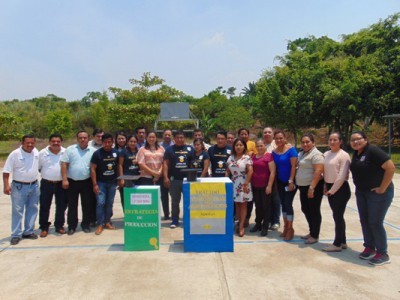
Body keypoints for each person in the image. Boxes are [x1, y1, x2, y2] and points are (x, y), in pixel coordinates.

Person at [349, 131, 395, 266]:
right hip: (362, 192)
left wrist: (382, 188)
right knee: (365, 220)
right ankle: (370, 247)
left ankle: (383, 253)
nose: (355, 142)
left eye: (358, 139)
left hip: (378, 193)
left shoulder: (373, 151)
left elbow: (391, 168)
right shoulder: (357, 154)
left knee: (375, 222)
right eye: (352, 140)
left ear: (366, 139)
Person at [3, 134, 40, 245]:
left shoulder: (36, 152)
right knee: (17, 211)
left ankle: (28, 231)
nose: (30, 145)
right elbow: (6, 171)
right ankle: (16, 234)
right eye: (27, 143)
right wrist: (6, 185)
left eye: (32, 143)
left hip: (34, 186)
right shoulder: (15, 154)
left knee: (32, 208)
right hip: (19, 187)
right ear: (22, 143)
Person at [61, 131, 96, 235]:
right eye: (80, 138)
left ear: (88, 139)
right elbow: (64, 164)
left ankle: (85, 225)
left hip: (86, 182)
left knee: (87, 204)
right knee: (72, 205)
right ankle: (72, 226)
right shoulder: (70, 150)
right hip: (72, 182)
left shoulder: (92, 151)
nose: (82, 140)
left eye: (85, 138)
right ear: (77, 139)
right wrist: (64, 179)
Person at [322, 132, 351, 252]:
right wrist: (325, 186)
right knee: (337, 216)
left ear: (340, 142)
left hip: (340, 189)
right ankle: (343, 241)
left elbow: (342, 176)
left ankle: (337, 243)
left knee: (338, 216)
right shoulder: (326, 154)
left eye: (335, 140)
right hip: (329, 187)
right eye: (330, 139)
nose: (332, 142)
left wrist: (332, 191)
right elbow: (325, 172)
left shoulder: (344, 155)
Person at [296, 133, 325, 245]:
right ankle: (311, 231)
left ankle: (315, 235)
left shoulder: (316, 154)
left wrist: (312, 187)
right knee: (305, 209)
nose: (305, 144)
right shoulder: (302, 153)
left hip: (312, 187)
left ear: (313, 143)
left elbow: (318, 171)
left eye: (307, 142)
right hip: (303, 187)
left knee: (314, 210)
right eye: (303, 142)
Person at [163, 130, 195, 228]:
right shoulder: (170, 149)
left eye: (181, 138)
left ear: (184, 138)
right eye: (177, 138)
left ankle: (188, 219)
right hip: (174, 180)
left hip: (187, 180)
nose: (180, 139)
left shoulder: (190, 149)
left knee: (188, 201)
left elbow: (193, 164)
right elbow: (165, 164)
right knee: (175, 201)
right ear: (174, 138)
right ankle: (175, 219)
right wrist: (165, 177)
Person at [38, 133, 67, 237]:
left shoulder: (65, 152)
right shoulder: (42, 153)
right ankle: (44, 227)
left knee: (61, 206)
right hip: (47, 183)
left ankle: (59, 226)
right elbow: (39, 167)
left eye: (58, 141)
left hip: (61, 184)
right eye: (53, 141)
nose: (56, 143)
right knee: (45, 206)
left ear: (61, 142)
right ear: (49, 142)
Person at [90, 133, 119, 235]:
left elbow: (119, 167)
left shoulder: (116, 152)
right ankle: (100, 224)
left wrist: (119, 180)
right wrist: (95, 184)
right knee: (100, 203)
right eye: (105, 142)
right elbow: (93, 169)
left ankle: (107, 222)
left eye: (109, 142)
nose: (107, 144)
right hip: (101, 183)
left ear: (112, 142)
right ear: (102, 142)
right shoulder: (97, 154)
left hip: (112, 183)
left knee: (109, 203)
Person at [137, 130, 169, 219]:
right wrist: (153, 173)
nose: (151, 139)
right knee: (148, 197)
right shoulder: (142, 150)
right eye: (149, 137)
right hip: (146, 177)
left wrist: (158, 173)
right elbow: (141, 164)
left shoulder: (161, 149)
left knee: (164, 196)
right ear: (146, 138)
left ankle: (166, 214)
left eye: (153, 137)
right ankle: (149, 215)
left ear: (156, 138)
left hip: (160, 176)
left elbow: (164, 162)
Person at [272, 130, 298, 241]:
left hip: (290, 182)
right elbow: (276, 169)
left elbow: (293, 166)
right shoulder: (274, 152)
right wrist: (276, 183)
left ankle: (290, 229)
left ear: (285, 138)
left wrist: (291, 181)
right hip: (280, 182)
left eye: (281, 138)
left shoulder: (291, 150)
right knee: (283, 204)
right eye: (277, 138)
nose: (279, 140)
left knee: (288, 204)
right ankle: (285, 227)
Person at [226, 138, 253, 237]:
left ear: (244, 147)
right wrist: (226, 181)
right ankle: (239, 222)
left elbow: (250, 171)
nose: (238, 147)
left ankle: (241, 226)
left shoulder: (246, 158)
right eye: (237, 145)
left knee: (243, 204)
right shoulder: (231, 158)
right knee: (237, 204)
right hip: (233, 182)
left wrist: (246, 183)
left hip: (243, 183)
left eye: (241, 145)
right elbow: (228, 171)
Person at [250, 138, 276, 236]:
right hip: (255, 186)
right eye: (258, 146)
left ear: (265, 146)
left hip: (265, 186)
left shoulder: (269, 156)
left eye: (261, 145)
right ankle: (258, 224)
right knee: (258, 207)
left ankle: (265, 226)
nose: (260, 147)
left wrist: (269, 186)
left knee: (265, 207)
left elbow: (273, 172)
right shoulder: (253, 157)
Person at [238, 127, 257, 227]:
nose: (244, 136)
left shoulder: (252, 144)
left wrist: (252, 152)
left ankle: (246, 218)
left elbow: (258, 154)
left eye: (245, 134)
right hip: (238, 175)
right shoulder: (236, 143)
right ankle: (239, 219)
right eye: (242, 134)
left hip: (249, 174)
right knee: (238, 200)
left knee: (248, 200)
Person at [263, 127, 280, 231]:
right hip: (265, 178)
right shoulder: (261, 146)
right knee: (267, 201)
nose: (267, 134)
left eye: (269, 132)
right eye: (265, 132)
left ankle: (276, 221)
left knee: (276, 200)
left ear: (273, 134)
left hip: (276, 177)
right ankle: (268, 220)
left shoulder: (277, 144)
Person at [118, 134, 140, 210]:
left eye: (134, 142)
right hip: (127, 178)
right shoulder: (123, 152)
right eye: (131, 141)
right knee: (126, 198)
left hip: (138, 178)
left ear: (137, 142)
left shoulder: (139, 151)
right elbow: (120, 165)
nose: (133, 143)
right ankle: (127, 215)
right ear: (127, 142)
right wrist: (121, 179)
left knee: (137, 198)